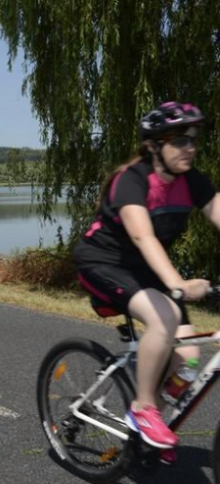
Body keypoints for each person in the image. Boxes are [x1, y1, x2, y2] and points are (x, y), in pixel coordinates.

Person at [73, 102, 220, 458]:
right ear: (154, 145)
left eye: (193, 139)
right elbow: (143, 237)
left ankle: (143, 427)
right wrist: (180, 286)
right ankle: (143, 410)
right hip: (103, 262)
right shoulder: (132, 180)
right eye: (180, 140)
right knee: (165, 317)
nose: (191, 147)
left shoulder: (193, 182)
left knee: (187, 356)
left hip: (147, 271)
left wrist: (173, 286)